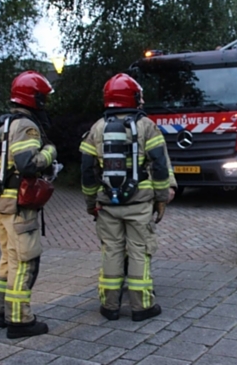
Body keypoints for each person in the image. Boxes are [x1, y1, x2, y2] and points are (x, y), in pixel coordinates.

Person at [79, 73, 176, 322]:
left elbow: (87, 171)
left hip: (107, 204)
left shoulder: (96, 128)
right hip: (139, 203)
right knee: (139, 251)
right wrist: (162, 198)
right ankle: (141, 306)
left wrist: (92, 204)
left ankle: (109, 306)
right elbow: (160, 166)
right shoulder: (147, 126)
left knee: (111, 251)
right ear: (133, 97)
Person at [0, 70, 58, 339]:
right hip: (19, 207)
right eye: (43, 98)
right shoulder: (26, 126)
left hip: (0, 204)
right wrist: (51, 151)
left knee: (7, 260)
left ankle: (2, 313)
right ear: (35, 98)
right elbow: (27, 164)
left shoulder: (3, 123)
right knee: (24, 262)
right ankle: (20, 320)